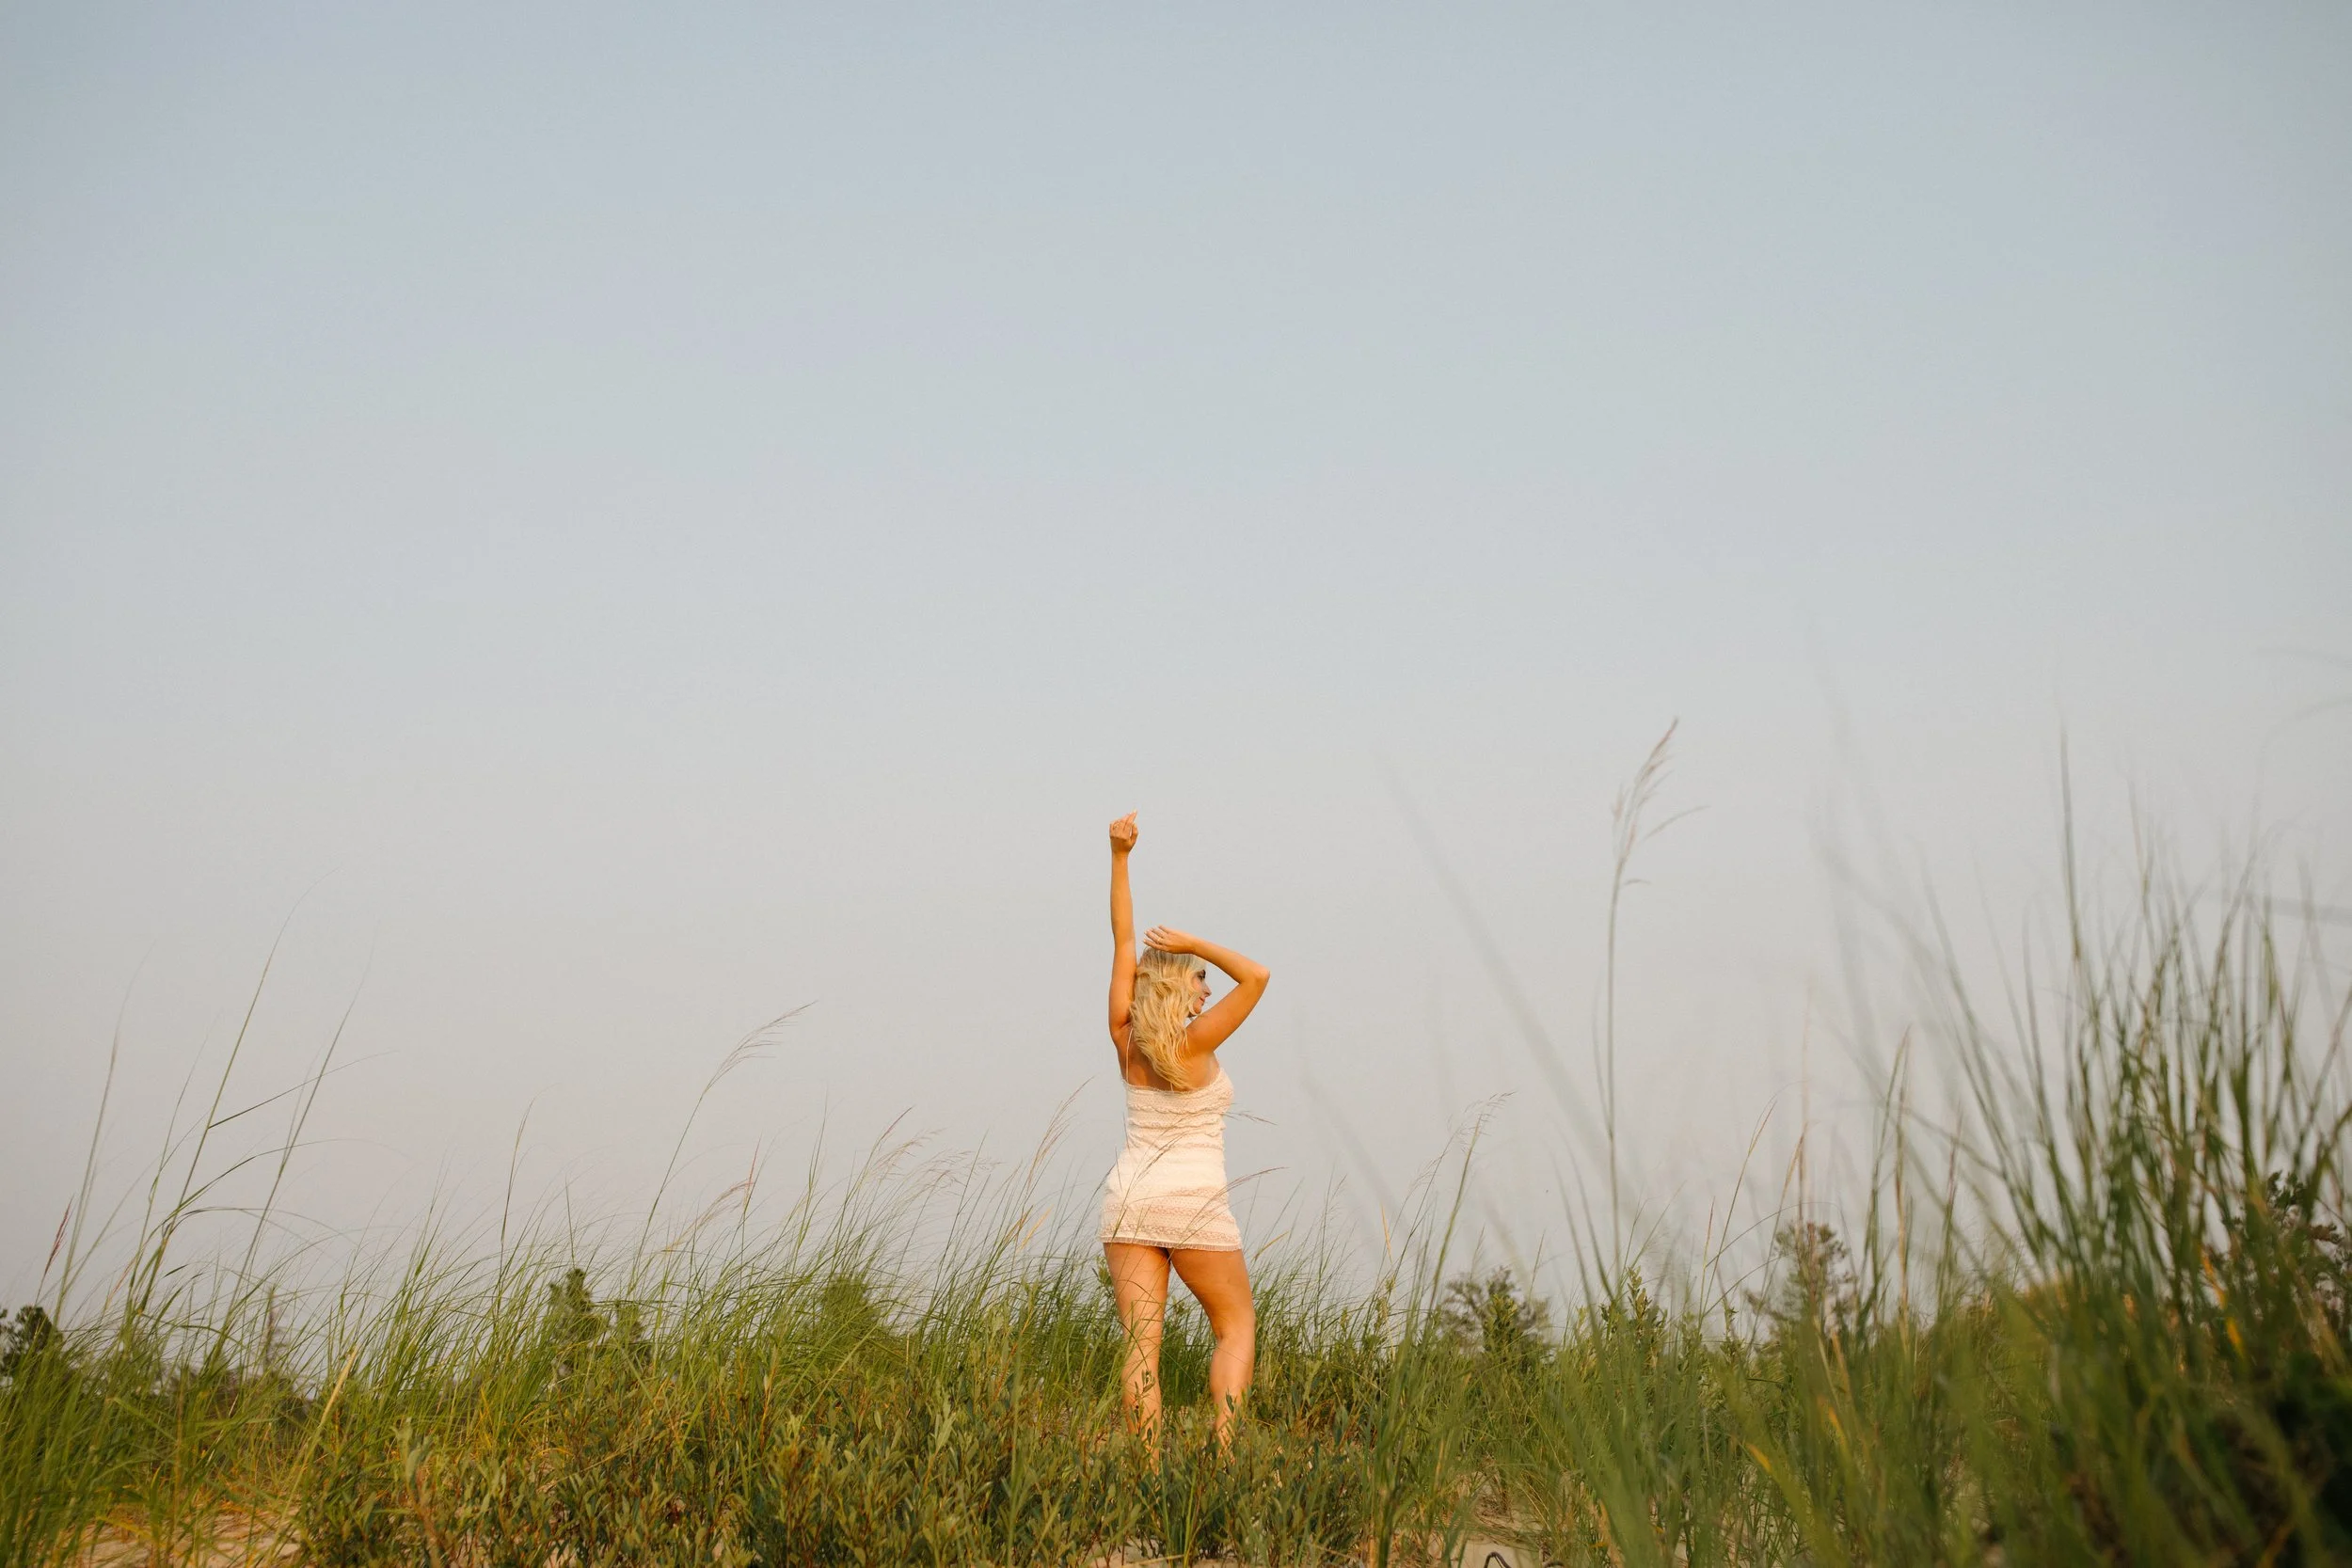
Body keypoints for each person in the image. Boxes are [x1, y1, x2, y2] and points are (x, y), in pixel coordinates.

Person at [1100, 811, 1270, 1448]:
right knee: (1236, 1327)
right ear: (1180, 984)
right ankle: (1221, 1459)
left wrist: (1119, 857)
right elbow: (1257, 975)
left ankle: (1146, 1475)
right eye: (1200, 980)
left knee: (1142, 1346)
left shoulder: (1125, 1038)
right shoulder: (1195, 1041)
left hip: (1129, 1199)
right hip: (1194, 1204)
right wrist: (1196, 941)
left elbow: (1122, 942)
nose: (1206, 990)